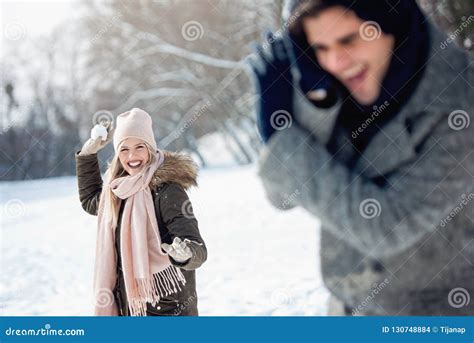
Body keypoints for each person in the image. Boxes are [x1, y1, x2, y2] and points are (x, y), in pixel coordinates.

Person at [248, 0, 473, 315]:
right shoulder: (346, 90)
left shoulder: (462, 101)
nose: (336, 61)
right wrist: (316, 103)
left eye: (349, 40)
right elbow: (283, 197)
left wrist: (281, 139)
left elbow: (388, 226)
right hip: (350, 309)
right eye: (320, 48)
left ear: (390, 24)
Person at [75, 108, 207, 316]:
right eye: (124, 149)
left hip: (168, 306)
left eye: (139, 147)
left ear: (151, 148)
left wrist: (186, 253)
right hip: (130, 304)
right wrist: (88, 154)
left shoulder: (168, 190)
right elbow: (91, 201)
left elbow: (196, 245)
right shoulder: (118, 190)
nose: (132, 156)